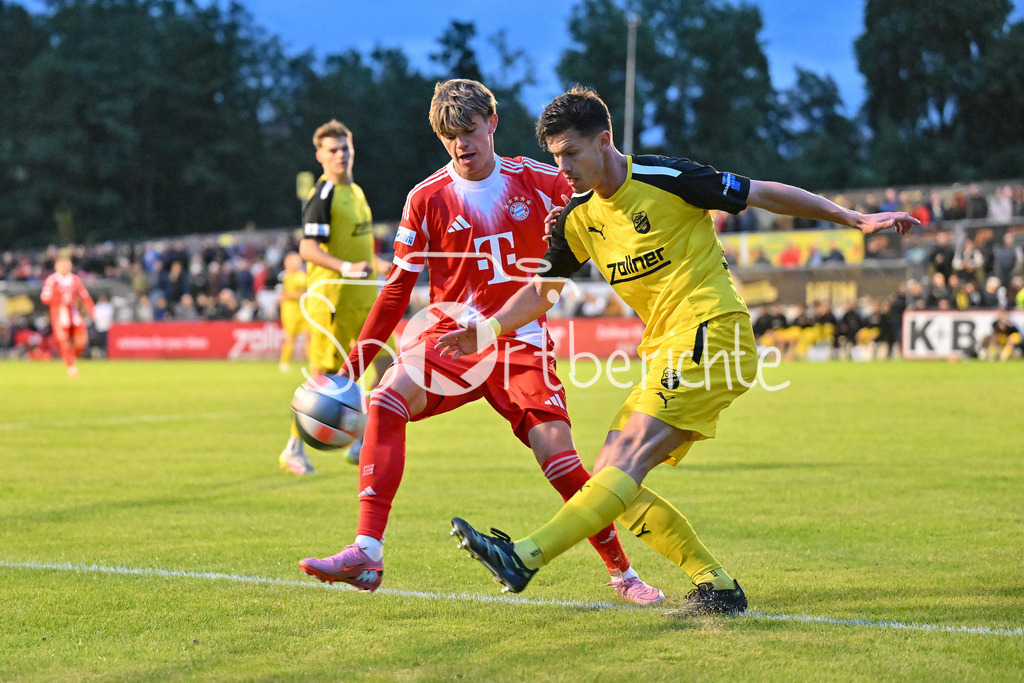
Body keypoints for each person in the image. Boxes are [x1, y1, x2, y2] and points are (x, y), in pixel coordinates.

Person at [438, 85, 919, 617]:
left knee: (625, 460)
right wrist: (486, 330)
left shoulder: (666, 177)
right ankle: (716, 585)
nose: (563, 168)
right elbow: (540, 292)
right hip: (667, 349)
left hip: (713, 331)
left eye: (571, 152)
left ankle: (525, 556)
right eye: (556, 156)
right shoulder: (576, 218)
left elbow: (762, 193)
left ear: (604, 141)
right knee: (611, 479)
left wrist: (855, 219)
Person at [296, 79, 664, 605]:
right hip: (450, 340)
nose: (460, 144)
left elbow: (607, 208)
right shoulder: (425, 198)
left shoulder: (541, 180)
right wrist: (353, 366)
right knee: (385, 398)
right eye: (449, 136)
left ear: (492, 123)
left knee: (560, 459)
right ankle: (367, 552)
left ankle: (623, 573)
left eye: (468, 131)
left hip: (519, 339)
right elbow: (397, 290)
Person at [278, 119, 393, 475]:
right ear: (320, 156)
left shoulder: (355, 192)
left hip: (364, 297)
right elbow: (308, 248)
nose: (340, 155)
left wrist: (377, 263)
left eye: (345, 148)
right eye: (332, 150)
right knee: (325, 380)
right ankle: (293, 449)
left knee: (387, 367)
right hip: (332, 300)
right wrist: (345, 267)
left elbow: (355, 243)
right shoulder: (323, 193)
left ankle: (360, 439)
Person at [40, 255, 95, 377]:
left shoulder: (75, 280)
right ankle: (70, 365)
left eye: (67, 264)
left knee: (81, 341)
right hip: (59, 316)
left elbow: (85, 296)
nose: (65, 266)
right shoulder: (52, 280)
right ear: (57, 266)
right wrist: (61, 300)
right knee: (63, 342)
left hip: (74, 316)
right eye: (62, 264)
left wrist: (92, 312)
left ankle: (72, 358)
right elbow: (45, 298)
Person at [277, 251, 308, 372]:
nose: (295, 263)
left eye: (297, 260)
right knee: (290, 338)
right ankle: (284, 362)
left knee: (309, 338)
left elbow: (309, 292)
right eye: (292, 261)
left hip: (305, 311)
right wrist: (300, 295)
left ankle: (313, 363)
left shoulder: (304, 276)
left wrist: (295, 295)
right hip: (290, 312)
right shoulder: (283, 277)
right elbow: (282, 296)